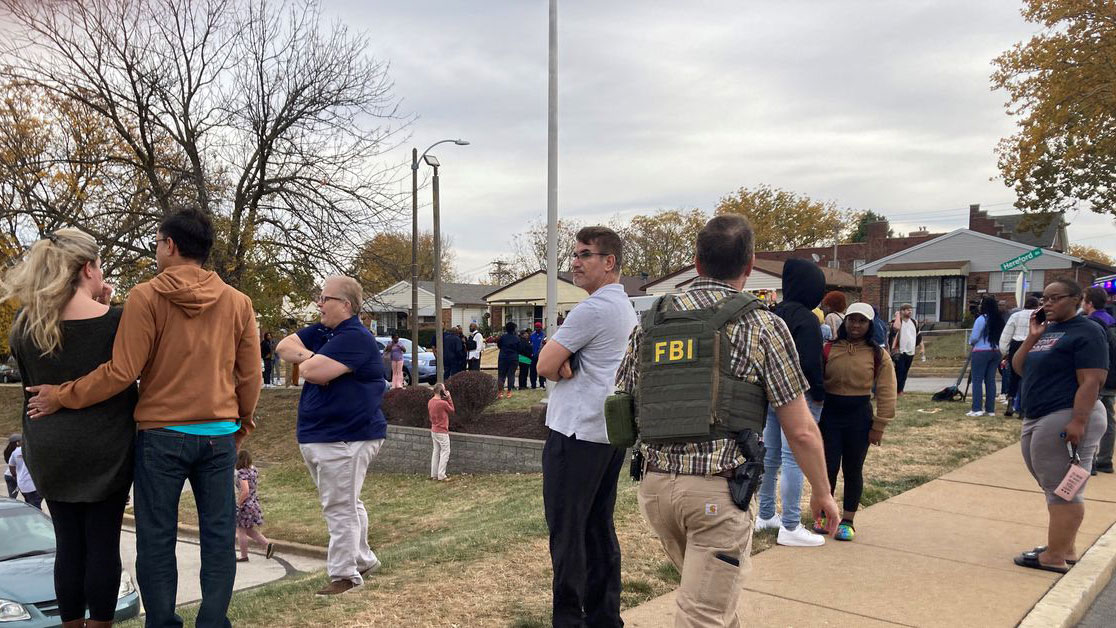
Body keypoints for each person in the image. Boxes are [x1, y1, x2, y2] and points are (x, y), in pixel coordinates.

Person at [26, 209, 262, 628]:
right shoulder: (238, 303)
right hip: (219, 434)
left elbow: (121, 372)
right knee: (218, 534)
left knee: (156, 539)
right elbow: (250, 375)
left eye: (157, 243)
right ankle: (211, 620)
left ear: (170, 245)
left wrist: (61, 395)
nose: (156, 251)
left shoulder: (145, 297)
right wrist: (241, 423)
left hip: (161, 435)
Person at [615, 215, 839, 626]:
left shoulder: (651, 322)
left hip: (656, 491)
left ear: (697, 262)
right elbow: (802, 429)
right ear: (749, 265)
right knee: (704, 614)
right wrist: (823, 492)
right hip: (716, 494)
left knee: (712, 603)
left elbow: (622, 400)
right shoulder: (763, 325)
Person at [3, 229, 137, 628]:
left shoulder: (26, 325)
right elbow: (120, 373)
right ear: (87, 268)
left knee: (68, 546)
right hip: (107, 450)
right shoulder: (116, 321)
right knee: (102, 545)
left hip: (50, 450)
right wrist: (104, 308)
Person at [535, 226, 639, 628]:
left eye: (584, 255)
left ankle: (569, 618)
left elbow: (544, 364)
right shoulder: (623, 306)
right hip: (607, 434)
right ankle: (603, 616)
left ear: (609, 262)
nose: (575, 263)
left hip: (576, 434)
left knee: (567, 532)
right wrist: (564, 361)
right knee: (597, 529)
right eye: (574, 256)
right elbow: (557, 362)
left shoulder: (592, 309)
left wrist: (561, 362)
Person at [276, 275, 387, 597]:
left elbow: (311, 373)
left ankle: (345, 575)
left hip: (345, 437)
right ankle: (363, 559)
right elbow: (285, 347)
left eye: (325, 299)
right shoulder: (325, 332)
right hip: (322, 436)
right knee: (349, 503)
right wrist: (314, 357)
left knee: (340, 507)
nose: (319, 304)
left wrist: (312, 362)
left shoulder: (355, 337)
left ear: (346, 305)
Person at [1011, 279, 1108, 573]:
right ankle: (1064, 546)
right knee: (1053, 484)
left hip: (1067, 414)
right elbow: (1019, 367)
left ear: (1078, 299)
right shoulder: (1049, 330)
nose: (1048, 303)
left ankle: (1054, 556)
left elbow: (1092, 379)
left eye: (1056, 298)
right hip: (1039, 414)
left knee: (1064, 490)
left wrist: (1078, 421)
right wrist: (1032, 336)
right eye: (1045, 298)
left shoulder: (1088, 331)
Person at [756, 258, 828, 547]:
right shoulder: (806, 319)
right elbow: (810, 362)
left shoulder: (773, 314)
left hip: (770, 395)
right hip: (798, 396)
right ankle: (790, 525)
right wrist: (820, 394)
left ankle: (765, 514)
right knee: (793, 459)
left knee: (770, 457)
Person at [815, 302, 897, 541]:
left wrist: (879, 426)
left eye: (862, 321)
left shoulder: (878, 354)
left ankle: (848, 521)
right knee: (827, 469)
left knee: (853, 470)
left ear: (870, 325)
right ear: (845, 321)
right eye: (852, 320)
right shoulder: (828, 349)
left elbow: (887, 391)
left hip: (859, 417)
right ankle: (823, 515)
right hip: (830, 415)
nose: (856, 325)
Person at [1082, 287, 1116, 474]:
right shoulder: (1112, 322)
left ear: (1089, 303)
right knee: (1108, 419)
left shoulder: (1090, 324)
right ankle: (1105, 460)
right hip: (1112, 377)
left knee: (1089, 417)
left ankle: (1090, 460)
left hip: (1095, 376)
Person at [1000, 296, 1040, 418]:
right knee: (1028, 377)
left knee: (1014, 377)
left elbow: (1006, 334)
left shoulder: (1015, 316)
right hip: (1032, 345)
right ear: (1036, 305)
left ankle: (1011, 403)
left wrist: (1005, 352)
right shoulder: (1039, 316)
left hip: (1016, 346)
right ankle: (1023, 408)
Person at [968, 295, 1006, 417]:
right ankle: (990, 409)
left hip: (981, 351)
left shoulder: (981, 319)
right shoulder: (999, 320)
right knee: (990, 380)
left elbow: (974, 337)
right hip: (996, 351)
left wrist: (971, 343)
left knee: (977, 380)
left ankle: (977, 408)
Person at [235, 449, 274, 563]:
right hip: (254, 502)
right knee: (248, 529)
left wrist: (239, 503)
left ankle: (243, 556)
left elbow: (245, 490)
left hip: (245, 504)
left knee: (240, 530)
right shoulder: (254, 470)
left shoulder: (242, 473)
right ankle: (267, 544)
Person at [889, 304, 925, 395]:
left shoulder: (914, 322)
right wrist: (897, 315)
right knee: (899, 371)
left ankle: (900, 390)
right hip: (899, 351)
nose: (910, 311)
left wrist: (922, 348)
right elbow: (896, 328)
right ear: (902, 311)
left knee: (905, 371)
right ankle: (896, 390)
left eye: (910, 310)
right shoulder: (897, 321)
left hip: (910, 351)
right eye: (907, 310)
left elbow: (919, 336)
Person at [427, 383, 454, 481]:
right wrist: (449, 398)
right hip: (442, 431)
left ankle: (434, 474)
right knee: (445, 452)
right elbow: (452, 410)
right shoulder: (443, 403)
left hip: (434, 429)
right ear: (442, 391)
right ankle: (441, 475)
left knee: (436, 452)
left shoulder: (430, 402)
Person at [8, 443, 40, 509]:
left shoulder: (15, 452)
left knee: (30, 504)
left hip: (23, 484)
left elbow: (11, 466)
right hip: (34, 485)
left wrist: (16, 477)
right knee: (35, 507)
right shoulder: (36, 450)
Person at [497, 321, 519, 398]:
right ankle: (509, 391)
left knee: (501, 375)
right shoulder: (516, 338)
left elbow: (499, 345)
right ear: (514, 329)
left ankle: (500, 392)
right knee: (511, 374)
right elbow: (519, 348)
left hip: (503, 357)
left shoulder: (502, 337)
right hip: (513, 358)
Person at [530, 321, 547, 389]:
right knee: (532, 371)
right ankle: (533, 385)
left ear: (541, 328)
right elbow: (530, 343)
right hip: (533, 355)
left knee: (541, 371)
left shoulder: (544, 335)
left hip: (540, 355)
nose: (537, 328)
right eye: (536, 327)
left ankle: (542, 384)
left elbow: (545, 344)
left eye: (538, 327)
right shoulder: (532, 335)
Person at [4, 434, 19, 499]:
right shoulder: (19, 451)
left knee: (12, 497)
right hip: (16, 475)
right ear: (17, 442)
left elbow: (8, 462)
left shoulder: (7, 451)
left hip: (8, 474)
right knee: (30, 496)